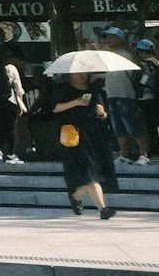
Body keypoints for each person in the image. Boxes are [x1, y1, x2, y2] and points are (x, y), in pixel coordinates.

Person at [51, 71, 119, 218]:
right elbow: (56, 108)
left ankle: (75, 195)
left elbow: (104, 114)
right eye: (77, 73)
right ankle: (103, 209)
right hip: (75, 137)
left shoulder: (94, 90)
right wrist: (76, 102)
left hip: (95, 136)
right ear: (70, 75)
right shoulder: (63, 90)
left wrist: (102, 112)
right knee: (90, 173)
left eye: (84, 73)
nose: (81, 76)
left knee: (94, 175)